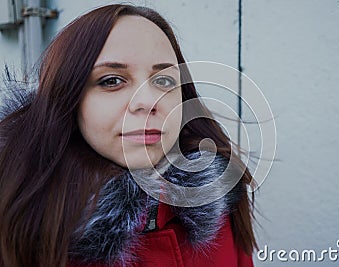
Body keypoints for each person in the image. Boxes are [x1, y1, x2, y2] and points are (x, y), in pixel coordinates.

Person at [0, 4, 257, 267]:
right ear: (68, 99)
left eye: (164, 81)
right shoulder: (21, 220)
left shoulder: (217, 202)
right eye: (112, 80)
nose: (147, 101)